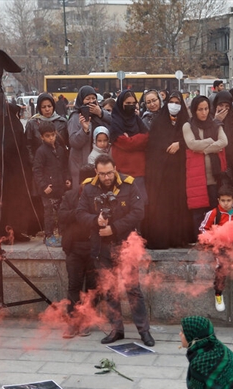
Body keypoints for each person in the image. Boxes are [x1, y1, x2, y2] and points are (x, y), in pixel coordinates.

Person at [76, 154, 154, 346]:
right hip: (101, 247)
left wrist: (114, 228)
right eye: (102, 174)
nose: (107, 177)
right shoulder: (89, 188)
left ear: (115, 169)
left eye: (110, 173)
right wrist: (95, 220)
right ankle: (116, 330)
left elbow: (138, 212)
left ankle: (144, 331)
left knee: (133, 290)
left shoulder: (128, 184)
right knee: (110, 290)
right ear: (96, 171)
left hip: (125, 245)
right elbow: (80, 213)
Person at [142, 91, 190, 249]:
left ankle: (177, 238)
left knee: (178, 205)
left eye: (177, 102)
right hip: (162, 174)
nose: (174, 105)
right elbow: (153, 146)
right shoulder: (159, 121)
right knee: (162, 205)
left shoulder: (185, 121)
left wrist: (180, 144)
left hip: (179, 172)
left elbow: (191, 140)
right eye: (171, 102)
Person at [0, 102, 38, 240]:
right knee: (14, 203)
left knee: (1, 202)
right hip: (15, 176)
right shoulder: (16, 127)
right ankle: (14, 231)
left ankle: (0, 230)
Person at [58, 164, 98, 338]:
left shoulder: (99, 196)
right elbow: (61, 216)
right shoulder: (70, 195)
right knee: (74, 285)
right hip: (74, 247)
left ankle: (86, 321)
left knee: (91, 287)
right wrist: (80, 212)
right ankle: (73, 322)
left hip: (93, 248)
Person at [198, 185, 233, 312]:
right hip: (220, 245)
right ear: (218, 200)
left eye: (228, 200)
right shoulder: (213, 213)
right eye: (223, 200)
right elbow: (203, 229)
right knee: (222, 267)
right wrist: (212, 238)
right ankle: (218, 294)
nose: (225, 203)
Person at [183, 95, 228, 234]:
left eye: (206, 109)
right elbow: (191, 144)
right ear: (194, 110)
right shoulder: (188, 125)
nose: (204, 112)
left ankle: (215, 238)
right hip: (196, 176)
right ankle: (201, 239)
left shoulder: (215, 124)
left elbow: (224, 141)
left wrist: (204, 150)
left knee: (214, 210)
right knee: (198, 211)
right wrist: (210, 142)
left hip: (214, 176)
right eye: (200, 109)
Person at [33, 121, 71, 247]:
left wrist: (67, 178)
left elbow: (65, 166)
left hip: (60, 187)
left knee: (61, 212)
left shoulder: (60, 149)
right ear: (42, 137)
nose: (51, 138)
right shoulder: (41, 151)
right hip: (48, 190)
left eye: (53, 135)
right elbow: (37, 170)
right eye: (47, 136)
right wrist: (43, 186)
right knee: (49, 214)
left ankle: (61, 234)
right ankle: (48, 235)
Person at [68, 86, 111, 186]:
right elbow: (73, 142)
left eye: (93, 98)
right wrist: (84, 130)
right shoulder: (76, 117)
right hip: (81, 163)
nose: (91, 101)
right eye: (87, 99)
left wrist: (100, 113)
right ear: (81, 100)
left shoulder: (101, 113)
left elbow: (115, 123)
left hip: (101, 162)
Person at [109, 90, 149, 179]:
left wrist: (131, 139)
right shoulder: (115, 122)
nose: (131, 105)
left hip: (139, 169)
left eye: (133, 103)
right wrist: (140, 139)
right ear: (121, 103)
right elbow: (126, 144)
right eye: (128, 103)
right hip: (123, 170)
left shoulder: (136, 119)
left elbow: (148, 137)